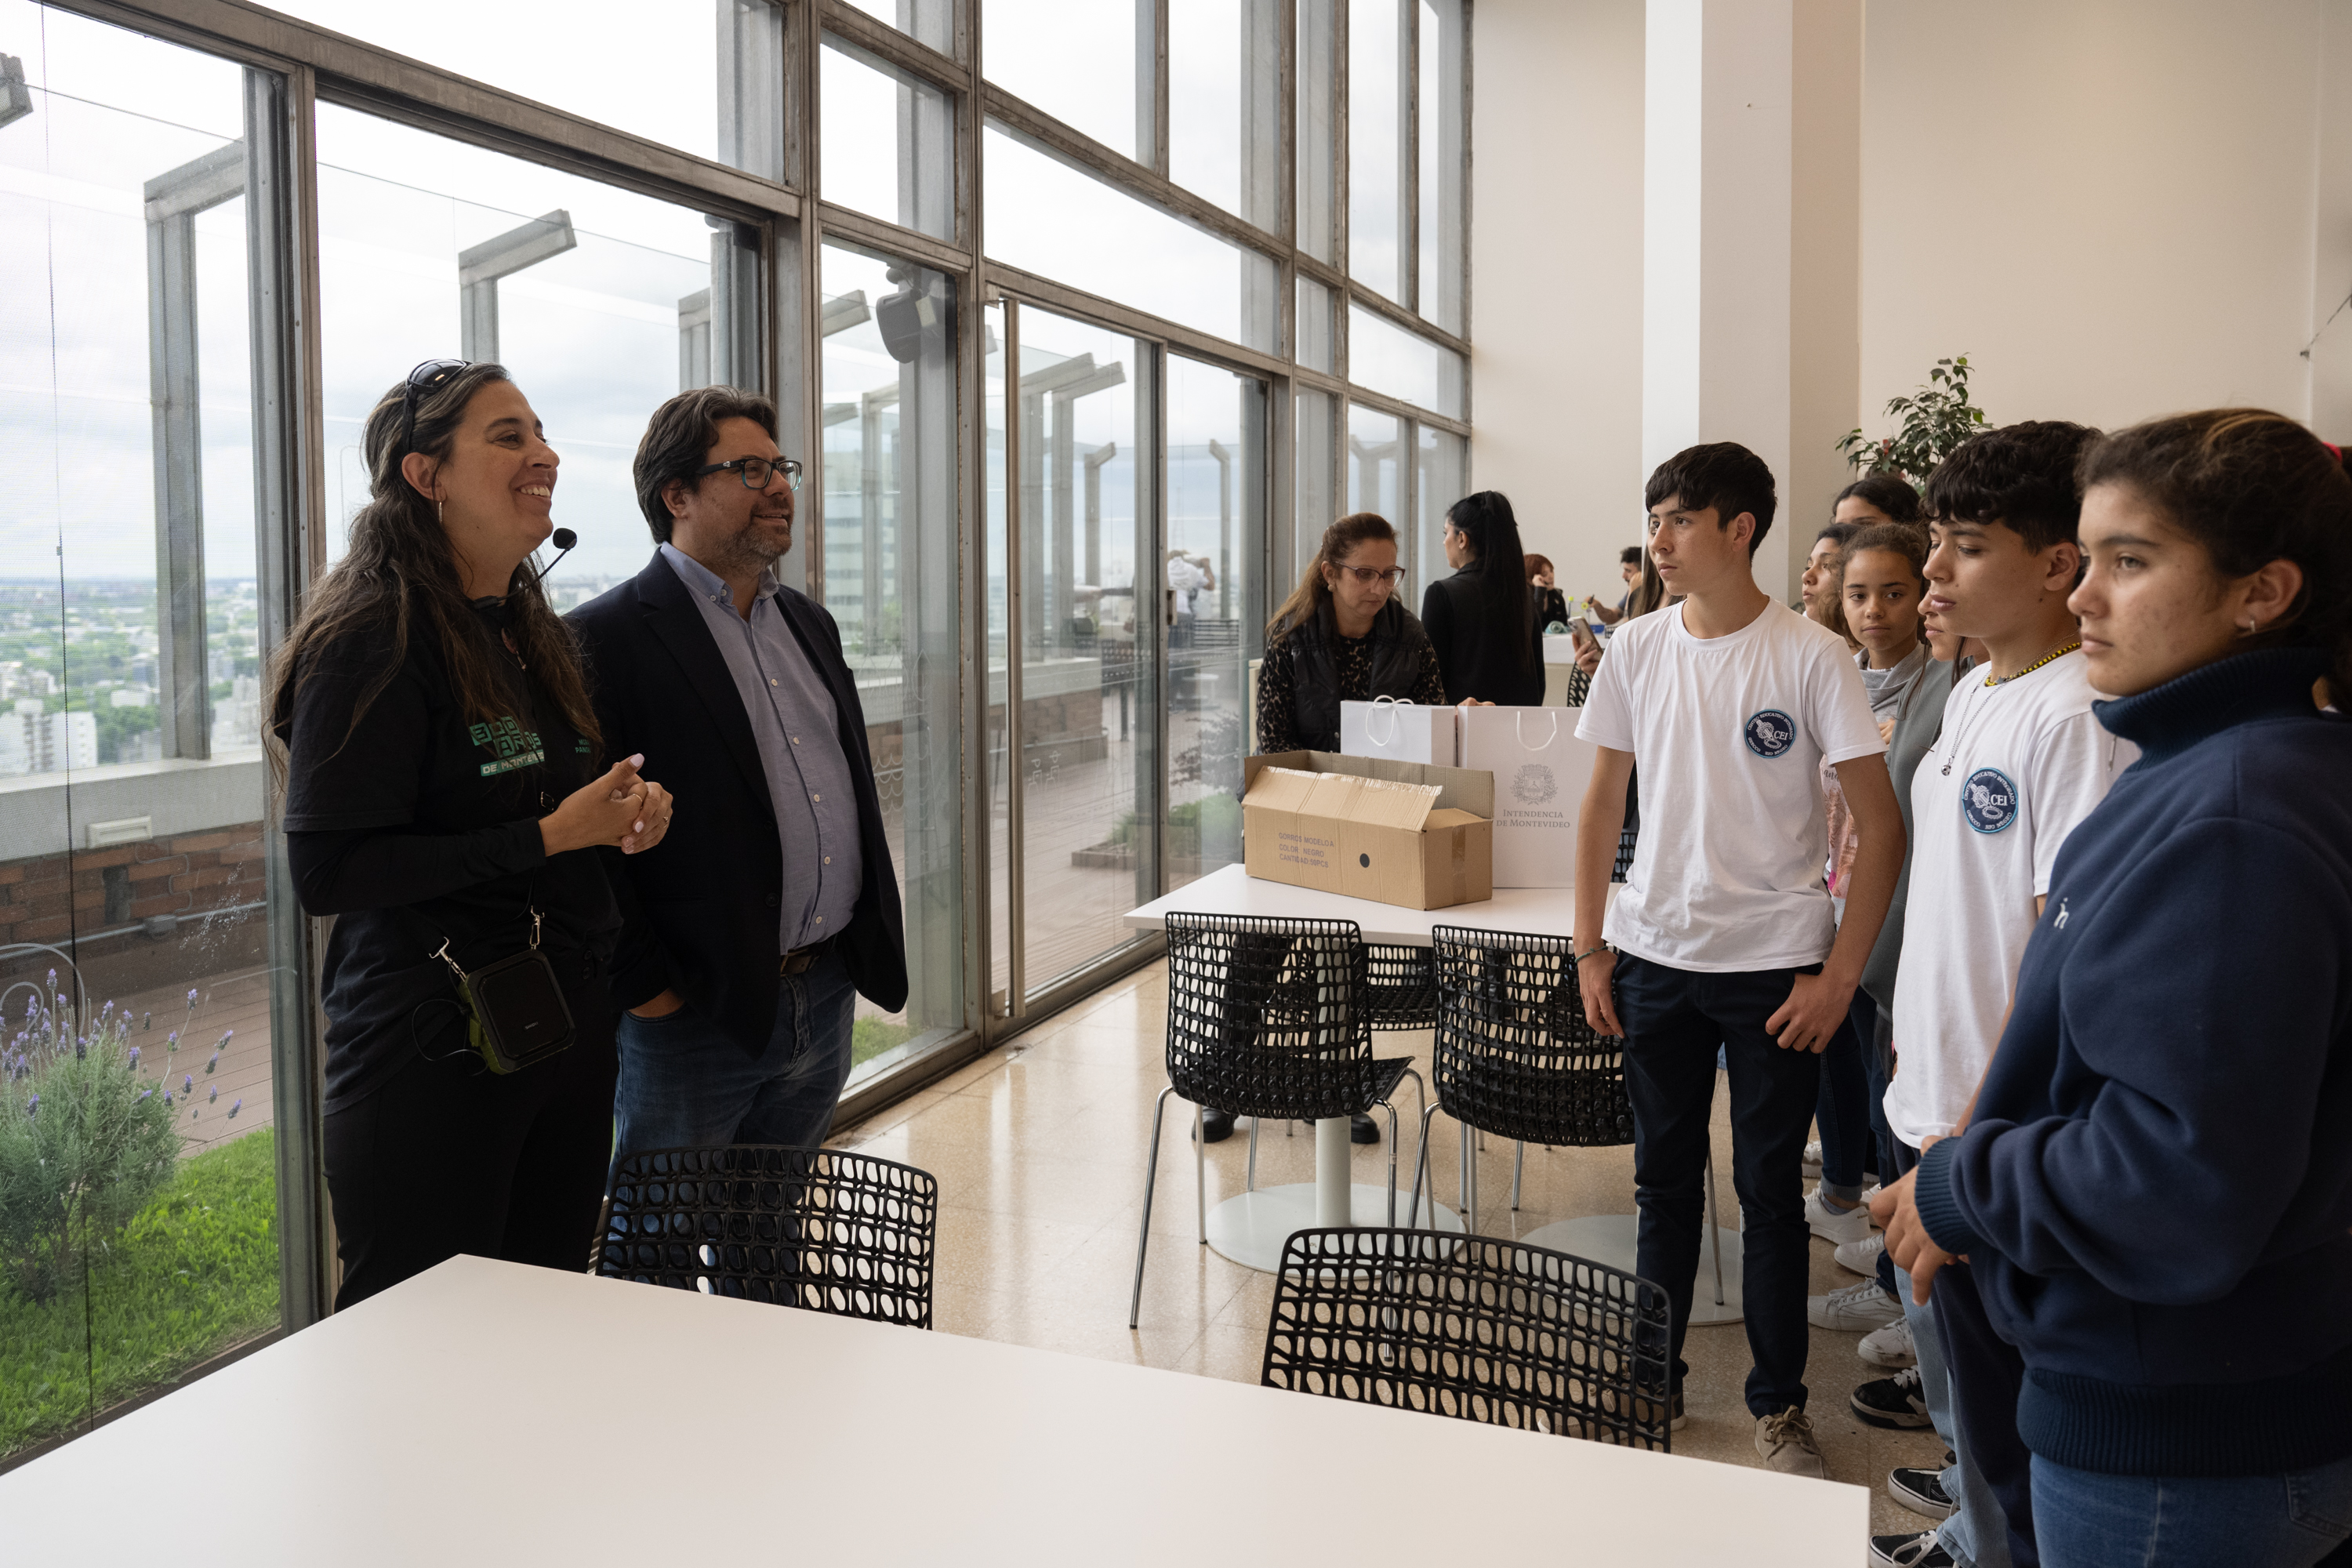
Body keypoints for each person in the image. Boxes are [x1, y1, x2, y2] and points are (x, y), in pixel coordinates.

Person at [1879, 409, 2352, 1568]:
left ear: (2264, 591)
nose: (2084, 595)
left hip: (2184, 1441)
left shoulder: (2237, 813)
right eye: (2086, 558)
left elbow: (2174, 1176)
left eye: (2129, 563)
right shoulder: (2215, 766)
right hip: (2198, 1396)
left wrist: (1964, 1179)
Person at [270, 360, 674, 1309]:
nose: (546, 456)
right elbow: (330, 870)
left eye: (540, 434)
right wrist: (548, 836)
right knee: (426, 1346)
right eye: (509, 438)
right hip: (432, 1059)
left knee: (539, 1323)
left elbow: (549, 806)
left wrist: (624, 813)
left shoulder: (527, 629)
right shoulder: (370, 637)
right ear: (426, 475)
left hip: (559, 1032)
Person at [1572, 441, 1904, 1478]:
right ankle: (1651, 1380)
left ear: (1739, 530)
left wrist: (1838, 975)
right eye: (1654, 519)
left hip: (1776, 973)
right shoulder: (1636, 649)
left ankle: (1777, 1407)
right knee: (1661, 1187)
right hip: (1653, 960)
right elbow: (1599, 807)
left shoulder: (1812, 653)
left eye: (1678, 520)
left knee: (1769, 1197)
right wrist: (1591, 946)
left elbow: (1879, 828)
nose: (1658, 541)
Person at [1860, 421, 2134, 1568]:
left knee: (2014, 1426)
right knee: (1961, 1396)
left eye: (1964, 548)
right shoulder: (1980, 684)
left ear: (2057, 565)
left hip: (1988, 1134)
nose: (1933, 574)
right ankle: (1974, 1533)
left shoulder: (2079, 719)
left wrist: (1971, 1145)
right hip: (1928, 1103)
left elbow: (2064, 967)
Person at [571, 387, 908, 1165]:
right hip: (696, 1014)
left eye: (781, 466)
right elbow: (588, 846)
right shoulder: (602, 639)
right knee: (655, 1258)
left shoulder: (809, 623)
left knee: (769, 1238)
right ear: (678, 494)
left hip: (823, 995)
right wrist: (648, 989)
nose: (782, 487)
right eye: (750, 469)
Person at [1247, 511, 1443, 1149]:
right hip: (1298, 813)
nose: (1380, 586)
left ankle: (1339, 1083)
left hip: (1375, 819)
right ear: (1331, 573)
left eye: (1390, 573)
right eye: (1365, 573)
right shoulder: (1291, 639)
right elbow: (1274, 746)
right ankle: (1229, 1072)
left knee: (1345, 953)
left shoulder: (1409, 637)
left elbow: (1432, 732)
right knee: (1258, 944)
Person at [1806, 524, 1935, 1274]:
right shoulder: (1831, 679)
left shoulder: (1941, 688)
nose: (1875, 611)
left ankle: (1896, 1275)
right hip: (1830, 909)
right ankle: (1861, 1216)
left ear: (1921, 595)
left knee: (1892, 1090)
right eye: (1858, 594)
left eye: (1894, 593)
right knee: (1847, 1071)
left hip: (1897, 923)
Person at [1421, 490, 1544, 706]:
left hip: (1464, 729)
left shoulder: (1441, 594)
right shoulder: (1521, 594)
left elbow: (1431, 683)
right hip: (1517, 731)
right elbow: (1537, 682)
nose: (1443, 542)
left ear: (1462, 539)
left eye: (1445, 533)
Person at [1589, 544, 1645, 625]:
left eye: (1628, 571)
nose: (1623, 576)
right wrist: (1598, 607)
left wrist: (1632, 590)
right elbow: (1613, 617)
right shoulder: (1630, 590)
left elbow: (1628, 624)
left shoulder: (1649, 592)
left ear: (1642, 573)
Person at [1526, 552, 1572, 633]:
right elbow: (1532, 624)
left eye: (1551, 571)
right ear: (1531, 578)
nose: (1551, 576)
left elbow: (1564, 625)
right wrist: (1539, 590)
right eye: (1545, 574)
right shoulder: (1526, 596)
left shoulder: (1557, 595)